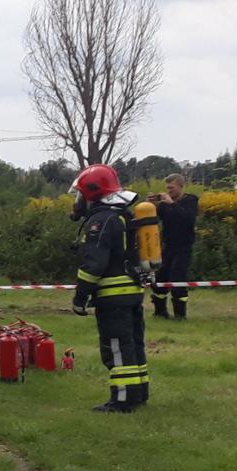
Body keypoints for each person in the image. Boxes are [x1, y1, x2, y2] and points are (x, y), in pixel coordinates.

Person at [69, 164, 151, 413]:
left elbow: (94, 264)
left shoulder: (100, 221)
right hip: (132, 292)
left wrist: (80, 296)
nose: (77, 200)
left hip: (113, 296)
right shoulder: (122, 215)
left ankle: (123, 400)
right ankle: (138, 393)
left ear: (92, 192)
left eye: (80, 194)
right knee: (132, 344)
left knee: (116, 347)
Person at [149, 173, 199, 320]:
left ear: (181, 186)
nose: (169, 191)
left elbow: (187, 218)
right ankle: (160, 312)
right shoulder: (165, 204)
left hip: (183, 247)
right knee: (160, 278)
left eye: (172, 188)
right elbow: (154, 219)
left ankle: (180, 314)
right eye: (167, 188)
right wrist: (151, 205)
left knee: (178, 278)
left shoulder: (190, 201)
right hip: (167, 246)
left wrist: (172, 204)